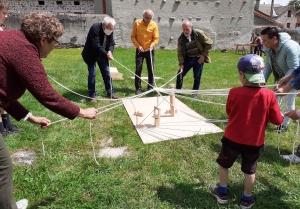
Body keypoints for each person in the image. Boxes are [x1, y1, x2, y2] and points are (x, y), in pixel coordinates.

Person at [0, 12, 98, 209]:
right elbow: (47, 95)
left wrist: (30, 117)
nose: (55, 47)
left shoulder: (10, 39)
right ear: (43, 39)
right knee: (2, 166)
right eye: (55, 42)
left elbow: (2, 94)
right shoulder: (24, 49)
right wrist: (81, 111)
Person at [210, 54, 283, 209]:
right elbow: (277, 121)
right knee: (250, 170)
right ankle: (246, 199)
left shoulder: (234, 92)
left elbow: (229, 112)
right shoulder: (269, 95)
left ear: (242, 74)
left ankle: (222, 193)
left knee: (224, 164)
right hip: (254, 142)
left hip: (231, 139)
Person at [260, 26, 300, 132]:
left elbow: (295, 68)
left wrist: (286, 84)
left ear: (274, 39)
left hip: (295, 79)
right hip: (282, 78)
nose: (263, 42)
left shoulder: (290, 47)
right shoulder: (269, 48)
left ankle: (284, 125)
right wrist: (261, 81)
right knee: (275, 98)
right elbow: (268, 65)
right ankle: (275, 118)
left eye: (265, 40)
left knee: (289, 101)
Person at [82, 16, 118, 103]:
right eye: (109, 28)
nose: (110, 30)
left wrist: (110, 51)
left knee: (106, 73)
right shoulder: (95, 28)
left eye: (112, 29)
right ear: (104, 25)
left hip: (102, 55)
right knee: (92, 74)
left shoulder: (110, 30)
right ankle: (92, 96)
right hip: (91, 55)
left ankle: (110, 93)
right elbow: (96, 45)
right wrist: (106, 54)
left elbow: (112, 43)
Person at [176, 20, 213, 97]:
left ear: (192, 27)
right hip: (188, 58)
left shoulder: (199, 34)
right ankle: (177, 92)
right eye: (184, 29)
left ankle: (194, 93)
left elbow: (209, 43)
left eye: (187, 29)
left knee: (197, 76)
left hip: (198, 58)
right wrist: (181, 63)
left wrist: (203, 55)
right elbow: (180, 52)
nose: (185, 31)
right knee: (180, 74)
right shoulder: (181, 39)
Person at [131, 9, 159, 95]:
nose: (148, 20)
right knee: (138, 69)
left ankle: (150, 87)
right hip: (140, 50)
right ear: (143, 16)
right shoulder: (137, 23)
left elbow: (156, 38)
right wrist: (138, 46)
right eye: (146, 17)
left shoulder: (154, 25)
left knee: (151, 69)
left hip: (149, 50)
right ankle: (138, 88)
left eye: (150, 18)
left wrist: (152, 45)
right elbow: (133, 36)